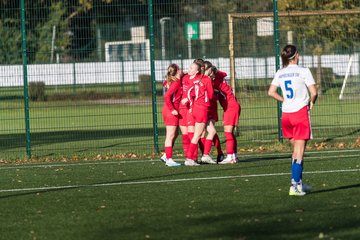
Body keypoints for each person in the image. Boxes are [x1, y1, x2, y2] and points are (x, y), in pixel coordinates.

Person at [268, 44, 318, 196]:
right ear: (297, 55)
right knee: (299, 152)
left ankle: (299, 184)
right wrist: (311, 102)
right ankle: (294, 186)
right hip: (300, 113)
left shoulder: (280, 72)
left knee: (295, 152)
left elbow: (271, 92)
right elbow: (314, 92)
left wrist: (284, 100)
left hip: (286, 115)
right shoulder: (303, 71)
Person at [205, 64, 241, 164]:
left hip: (231, 107)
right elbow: (222, 73)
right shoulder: (218, 77)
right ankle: (234, 156)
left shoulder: (214, 81)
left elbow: (212, 95)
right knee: (230, 133)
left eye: (206, 70)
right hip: (231, 106)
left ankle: (230, 156)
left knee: (228, 132)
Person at [181, 62, 214, 166]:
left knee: (212, 131)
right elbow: (211, 95)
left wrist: (188, 100)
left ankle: (205, 155)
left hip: (195, 108)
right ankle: (189, 159)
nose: (189, 69)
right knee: (197, 135)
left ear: (197, 71)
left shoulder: (194, 81)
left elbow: (190, 93)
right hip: (201, 109)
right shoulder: (206, 80)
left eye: (192, 67)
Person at [161, 64, 183, 167]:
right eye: (180, 69)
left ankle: (166, 155)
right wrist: (172, 109)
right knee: (170, 135)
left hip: (169, 110)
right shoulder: (176, 83)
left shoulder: (176, 81)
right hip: (170, 111)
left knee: (175, 134)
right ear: (178, 71)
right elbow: (166, 96)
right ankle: (169, 159)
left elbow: (165, 83)